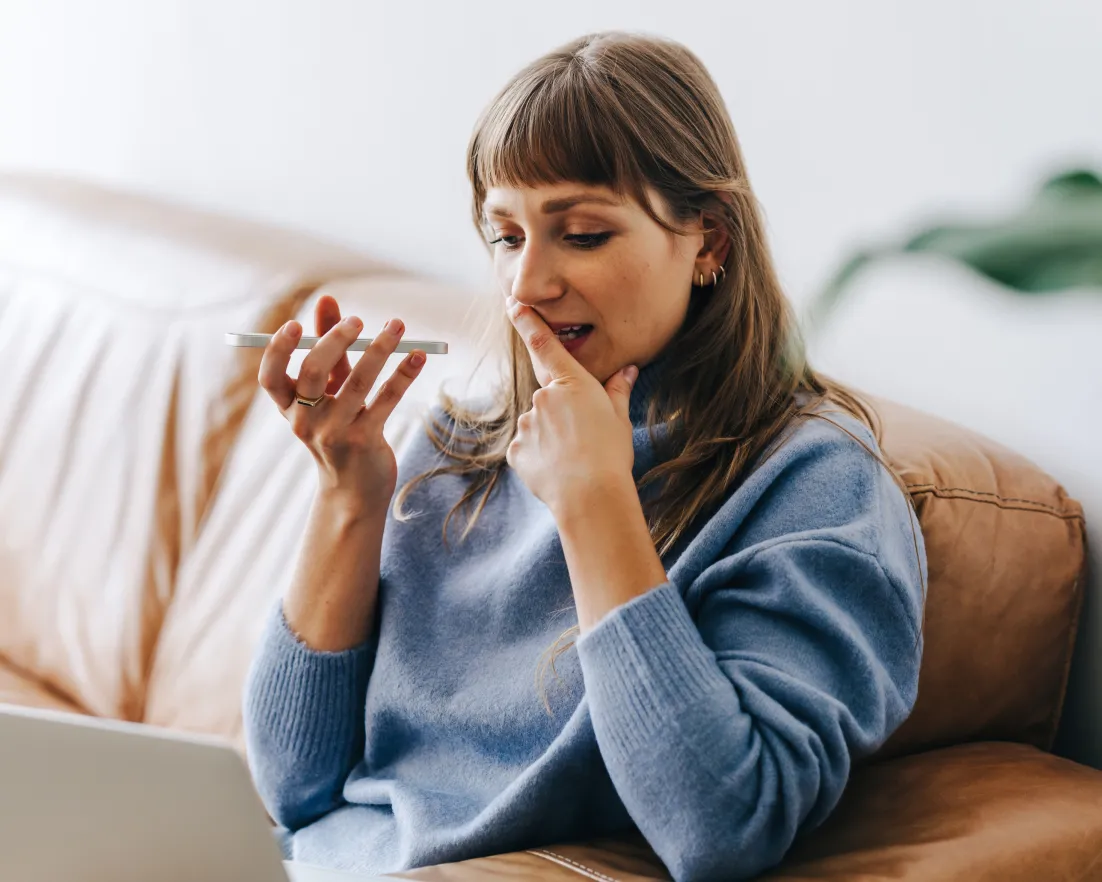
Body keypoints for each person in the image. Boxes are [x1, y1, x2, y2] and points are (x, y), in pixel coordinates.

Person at [242, 30, 926, 882]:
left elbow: (724, 825)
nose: (527, 284)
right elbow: (292, 789)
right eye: (505, 236)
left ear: (708, 240)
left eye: (584, 234)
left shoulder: (817, 488)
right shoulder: (461, 442)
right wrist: (349, 496)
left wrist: (597, 503)